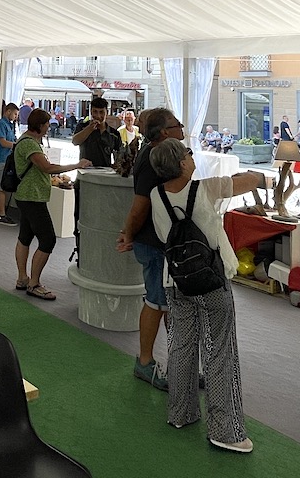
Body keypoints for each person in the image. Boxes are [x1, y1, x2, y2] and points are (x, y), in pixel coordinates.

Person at [148, 138, 264, 454]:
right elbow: (250, 180)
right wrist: (257, 174)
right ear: (181, 163)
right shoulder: (206, 188)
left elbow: (160, 234)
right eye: (188, 153)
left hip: (175, 279)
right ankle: (226, 431)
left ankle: (180, 412)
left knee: (181, 345)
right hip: (210, 279)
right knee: (219, 350)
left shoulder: (156, 195)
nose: (191, 157)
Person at [115, 107, 184, 391]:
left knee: (169, 305)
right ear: (165, 132)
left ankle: (180, 363)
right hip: (153, 243)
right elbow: (140, 204)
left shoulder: (164, 154)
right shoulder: (151, 158)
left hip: (165, 241)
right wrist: (128, 233)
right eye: (177, 125)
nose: (182, 129)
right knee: (156, 302)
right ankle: (145, 362)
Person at [12, 108, 91, 301]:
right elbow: (47, 167)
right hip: (32, 197)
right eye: (47, 124)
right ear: (40, 125)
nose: (49, 127)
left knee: (25, 236)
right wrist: (76, 165)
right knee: (48, 240)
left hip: (28, 196)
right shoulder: (29, 144)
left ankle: (23, 278)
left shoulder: (27, 141)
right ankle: (34, 284)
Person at [71, 96, 121, 167]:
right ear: (91, 112)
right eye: (95, 112)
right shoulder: (82, 126)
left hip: (106, 172)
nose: (98, 116)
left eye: (101, 112)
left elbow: (119, 155)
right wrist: (89, 129)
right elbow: (75, 141)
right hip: (85, 171)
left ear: (107, 113)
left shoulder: (114, 134)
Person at [0, 102, 19, 226]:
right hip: (3, 159)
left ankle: (1, 211)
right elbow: (3, 142)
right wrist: (17, 145)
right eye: (15, 114)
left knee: (6, 186)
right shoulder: (1, 124)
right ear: (8, 111)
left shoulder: (10, 125)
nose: (16, 117)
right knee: (2, 187)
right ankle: (1, 214)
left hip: (9, 160)